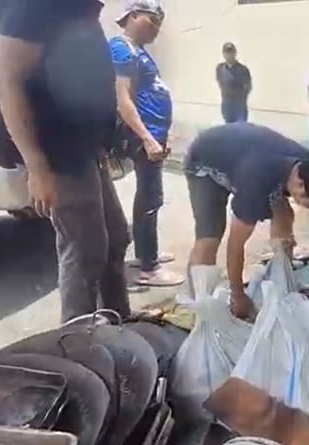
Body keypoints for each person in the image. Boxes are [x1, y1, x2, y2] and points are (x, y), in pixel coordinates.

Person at [0, 0, 130, 323]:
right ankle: (76, 336)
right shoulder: (36, 5)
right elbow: (9, 82)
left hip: (81, 143)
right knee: (85, 248)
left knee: (115, 236)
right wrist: (37, 167)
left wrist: (100, 141)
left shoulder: (81, 7)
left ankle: (118, 322)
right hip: (53, 146)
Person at [184, 123, 309, 319]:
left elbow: (284, 207)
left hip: (244, 155)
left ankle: (284, 279)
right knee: (209, 237)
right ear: (300, 186)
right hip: (204, 162)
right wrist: (238, 294)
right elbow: (235, 245)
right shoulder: (256, 184)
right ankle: (201, 308)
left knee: (285, 215)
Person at [111, 0, 183, 288]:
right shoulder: (122, 49)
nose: (156, 29)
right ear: (133, 16)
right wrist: (147, 138)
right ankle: (148, 268)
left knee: (149, 196)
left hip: (154, 133)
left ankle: (146, 254)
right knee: (151, 198)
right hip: (142, 136)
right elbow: (123, 100)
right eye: (152, 20)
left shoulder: (137, 51)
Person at [216, 42, 252, 123]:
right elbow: (220, 82)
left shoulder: (243, 69)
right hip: (227, 106)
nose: (229, 55)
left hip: (239, 107)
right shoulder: (220, 68)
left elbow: (248, 86)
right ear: (223, 54)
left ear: (235, 53)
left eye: (231, 52)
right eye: (227, 52)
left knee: (240, 128)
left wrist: (240, 98)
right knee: (229, 128)